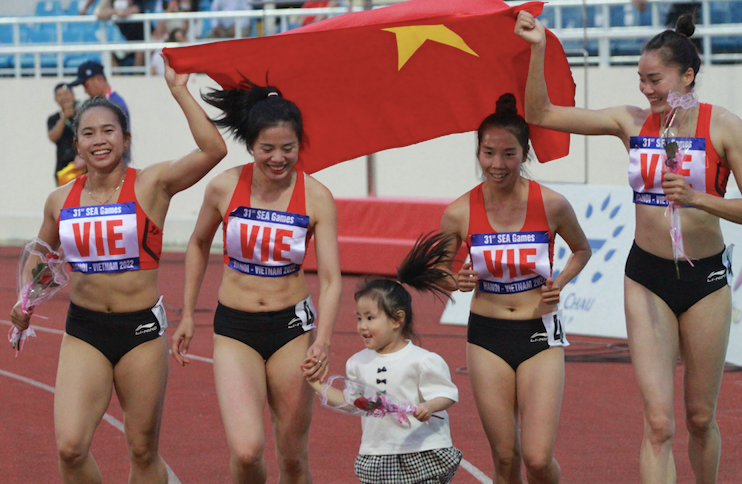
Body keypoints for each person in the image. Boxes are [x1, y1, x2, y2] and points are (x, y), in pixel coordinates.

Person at [516, 11, 742, 483]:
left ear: (687, 76)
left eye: (655, 79)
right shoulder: (630, 121)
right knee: (658, 424)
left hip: (705, 281)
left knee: (700, 417)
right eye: (640, 79)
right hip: (646, 279)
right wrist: (538, 48)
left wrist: (699, 198)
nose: (646, 89)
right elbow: (541, 114)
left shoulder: (723, 126)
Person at [9, 57, 227, 483]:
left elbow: (213, 151)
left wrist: (179, 91)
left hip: (140, 332)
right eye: (88, 133)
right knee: (70, 448)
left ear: (125, 139)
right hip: (85, 331)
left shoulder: (152, 184)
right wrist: (25, 298)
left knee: (142, 451)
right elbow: (39, 256)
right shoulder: (59, 200)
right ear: (77, 145)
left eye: (109, 131)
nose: (99, 140)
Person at [170, 80, 342, 483]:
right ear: (250, 145)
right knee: (247, 452)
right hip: (236, 329)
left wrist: (323, 341)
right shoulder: (224, 186)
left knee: (293, 459)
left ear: (299, 145)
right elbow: (197, 244)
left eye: (288, 148)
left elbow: (332, 279)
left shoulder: (317, 197)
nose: (278, 158)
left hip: (291, 330)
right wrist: (188, 314)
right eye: (267, 148)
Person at [438, 93, 591, 483]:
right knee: (505, 458)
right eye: (488, 153)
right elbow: (438, 268)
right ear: (478, 152)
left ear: (524, 154)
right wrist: (455, 280)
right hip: (487, 336)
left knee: (538, 459)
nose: (497, 164)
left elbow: (582, 250)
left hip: (539, 332)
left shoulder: (552, 204)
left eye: (509, 154)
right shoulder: (458, 211)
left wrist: (561, 281)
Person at [302, 232, 463, 484]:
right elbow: (352, 402)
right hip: (378, 454)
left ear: (397, 319)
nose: (362, 326)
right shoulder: (357, 363)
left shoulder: (422, 360)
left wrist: (430, 406)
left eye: (370, 318)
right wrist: (317, 385)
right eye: (359, 318)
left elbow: (448, 393)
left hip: (421, 449)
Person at [80, 0, 146, 67]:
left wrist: (121, 11)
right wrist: (115, 11)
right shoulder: (112, 2)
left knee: (140, 50)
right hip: (125, 41)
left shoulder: (138, 3)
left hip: (140, 39)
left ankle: (137, 73)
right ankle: (117, 74)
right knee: (108, 54)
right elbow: (99, 13)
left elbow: (133, 10)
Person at [47, 83, 85, 185]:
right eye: (59, 95)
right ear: (55, 99)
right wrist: (64, 117)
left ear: (73, 95)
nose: (63, 97)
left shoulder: (83, 115)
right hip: (64, 167)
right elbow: (53, 137)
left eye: (66, 93)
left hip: (83, 166)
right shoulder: (53, 119)